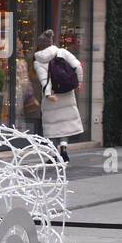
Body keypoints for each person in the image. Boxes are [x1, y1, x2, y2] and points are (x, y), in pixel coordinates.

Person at [32, 29, 83, 163]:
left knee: (52, 127)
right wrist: (79, 82)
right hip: (67, 93)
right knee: (65, 126)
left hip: (53, 96)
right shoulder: (62, 52)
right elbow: (78, 66)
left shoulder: (38, 60)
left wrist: (49, 95)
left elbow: (44, 80)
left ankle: (54, 155)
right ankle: (64, 150)